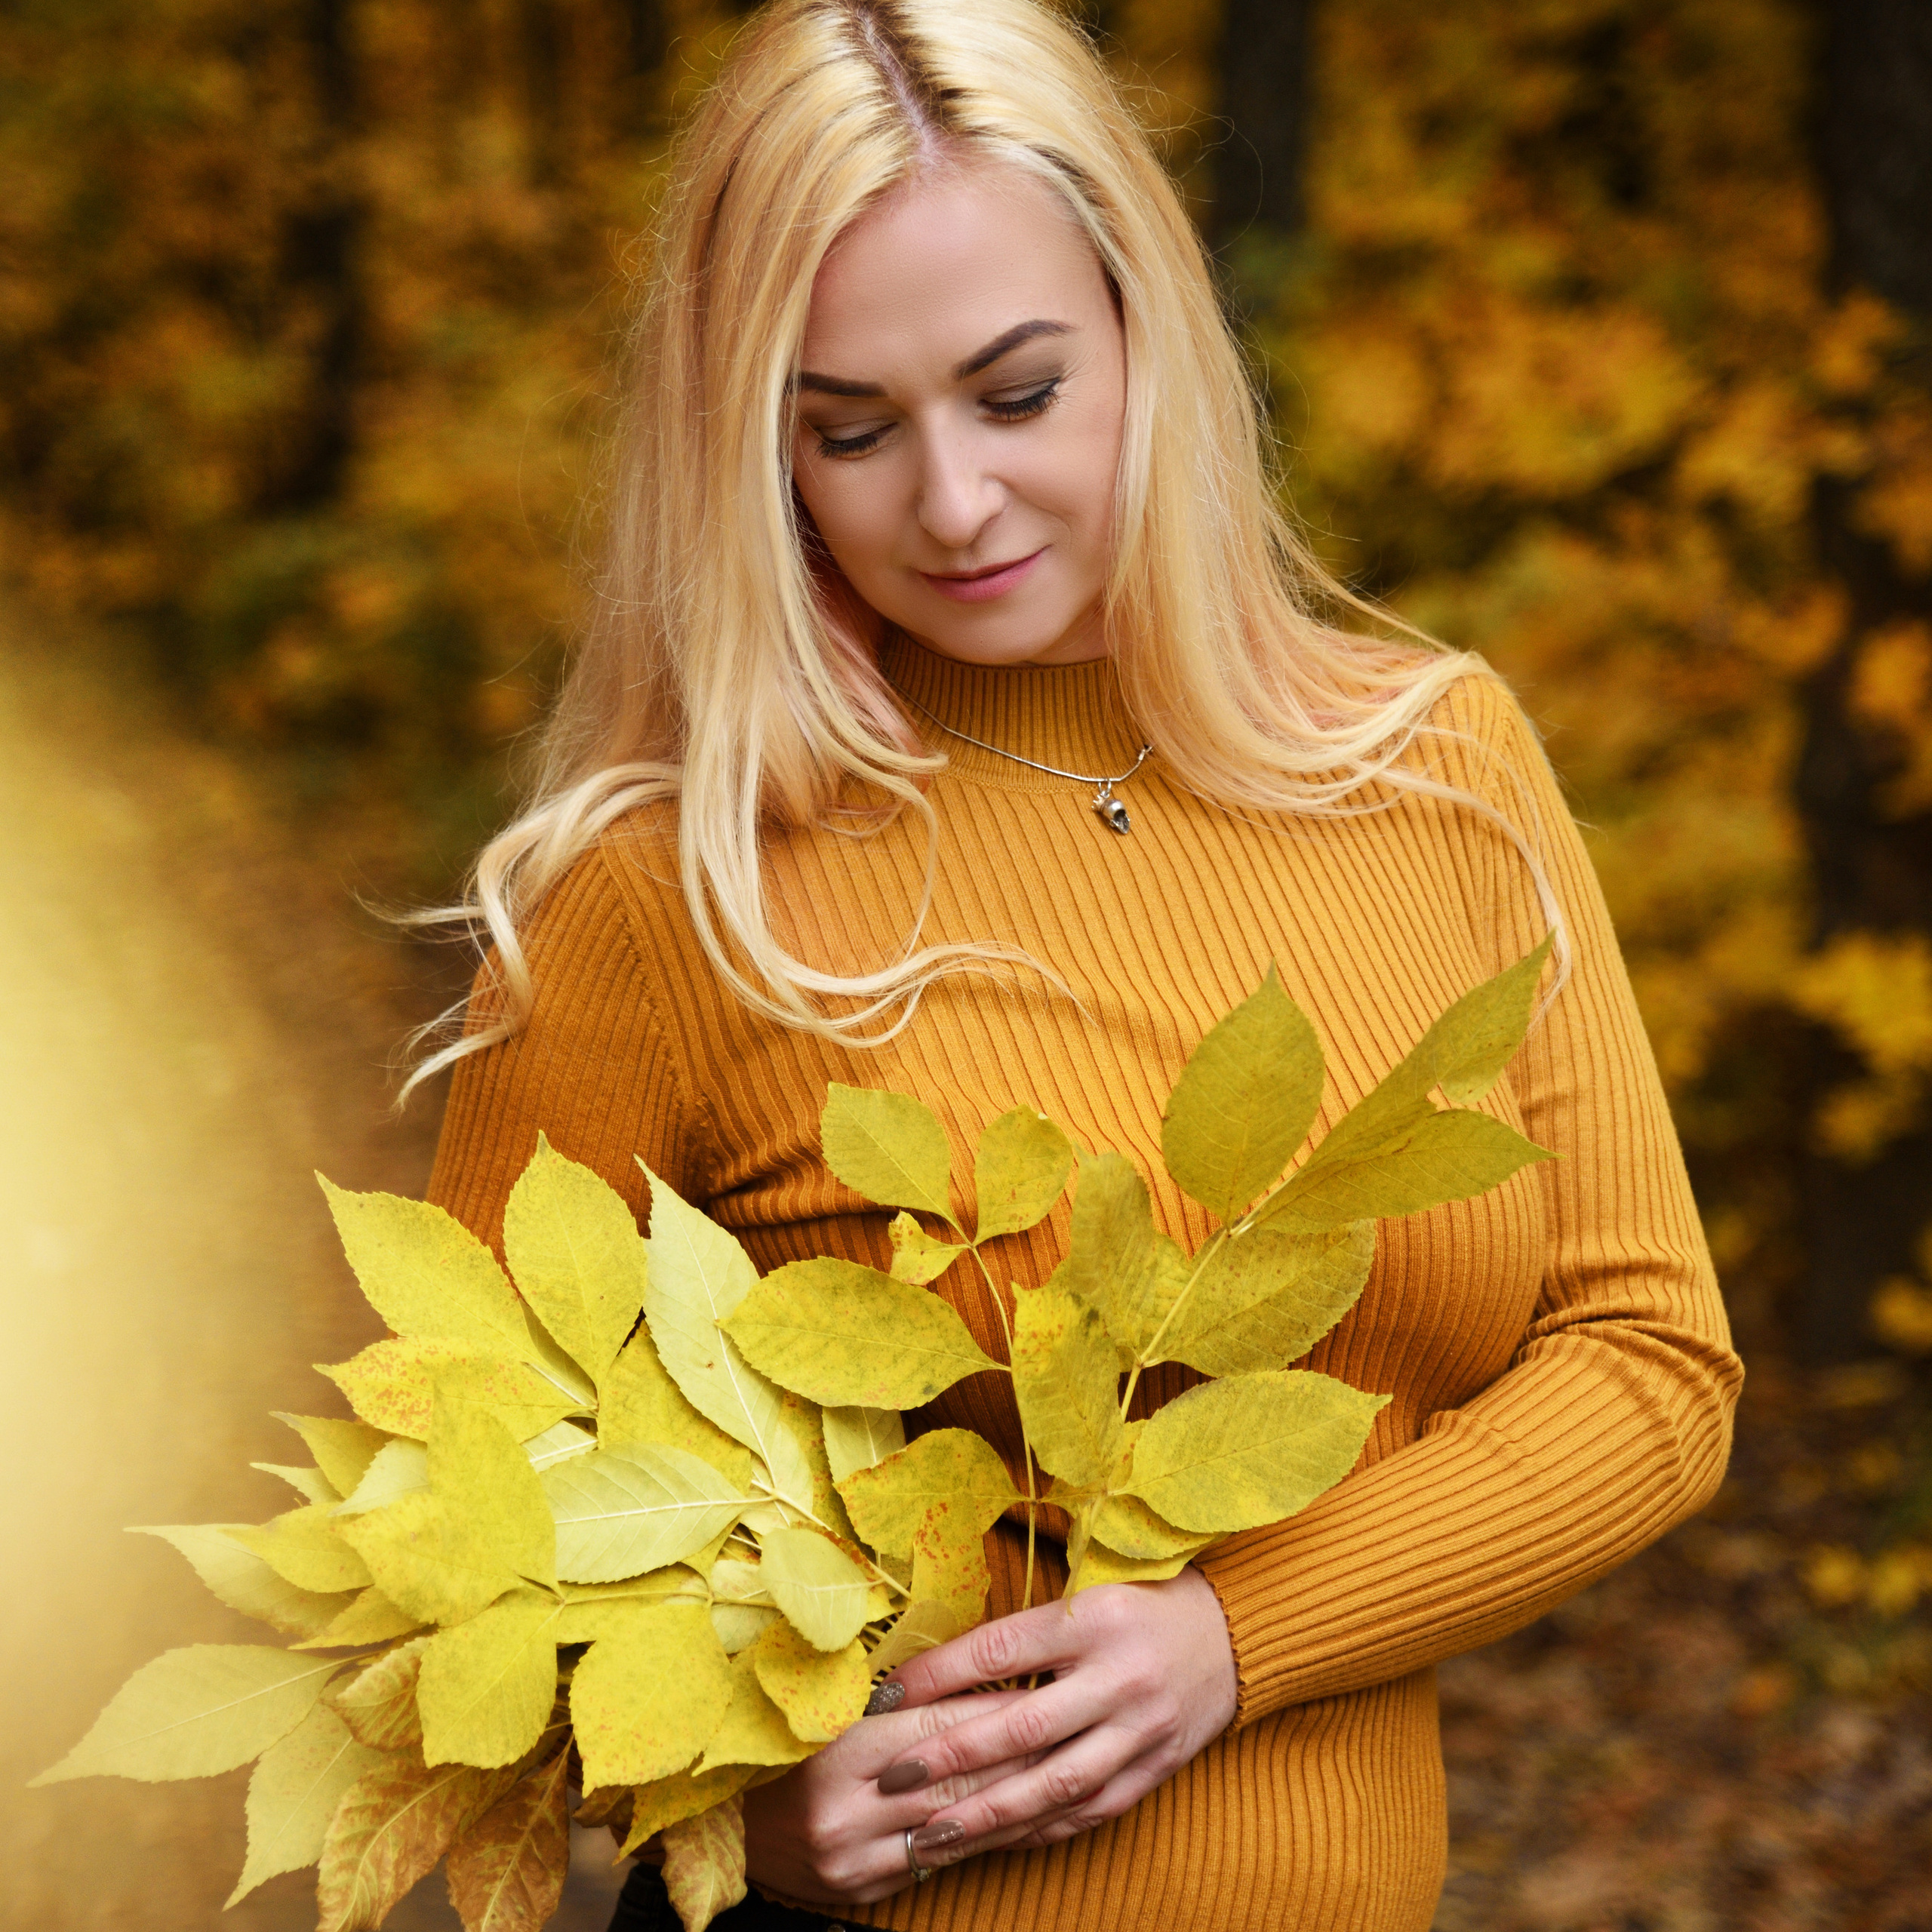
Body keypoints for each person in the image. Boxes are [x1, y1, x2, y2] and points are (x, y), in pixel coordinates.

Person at [415, 3, 1742, 1927]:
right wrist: (713, 1801)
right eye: (847, 430)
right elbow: (449, 1519)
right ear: (746, 447)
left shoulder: (1435, 763)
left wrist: (1235, 1634)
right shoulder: (666, 883)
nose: (947, 503)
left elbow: (1649, 1360)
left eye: (1015, 394)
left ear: (1147, 330)